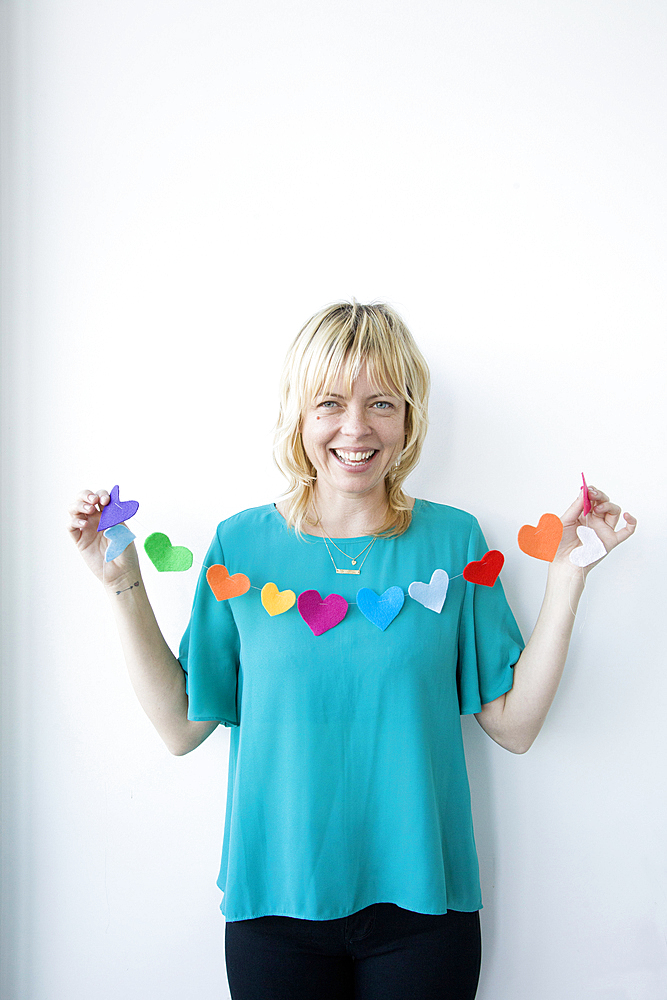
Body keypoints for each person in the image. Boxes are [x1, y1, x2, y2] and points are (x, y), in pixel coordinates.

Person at [68, 301, 636, 1000]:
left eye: (381, 404)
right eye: (329, 403)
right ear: (299, 415)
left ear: (408, 418)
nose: (355, 427)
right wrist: (123, 584)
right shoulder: (239, 545)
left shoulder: (455, 542)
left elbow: (513, 726)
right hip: (274, 905)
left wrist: (567, 577)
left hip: (424, 911)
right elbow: (181, 727)